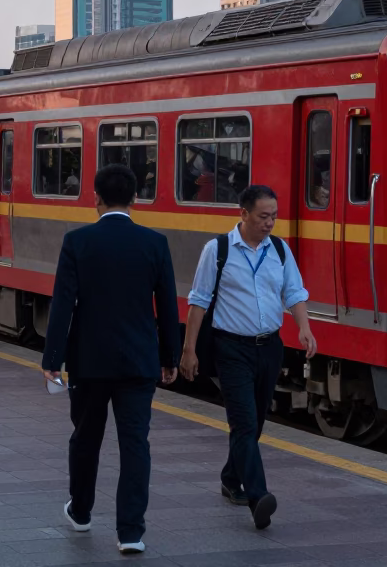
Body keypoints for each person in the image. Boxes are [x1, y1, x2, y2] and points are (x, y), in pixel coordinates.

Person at [42, 164, 180, 555]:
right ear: (135, 199)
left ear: (96, 199)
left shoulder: (78, 241)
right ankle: (131, 532)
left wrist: (52, 357)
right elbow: (167, 307)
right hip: (139, 361)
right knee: (136, 443)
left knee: (86, 437)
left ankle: (81, 512)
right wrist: (169, 356)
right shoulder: (155, 243)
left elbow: (63, 305)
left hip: (89, 361)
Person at [180, 184, 317, 530]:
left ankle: (230, 476)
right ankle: (257, 495)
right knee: (243, 422)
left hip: (269, 347)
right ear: (243, 214)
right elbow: (198, 301)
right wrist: (188, 349)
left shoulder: (280, 250)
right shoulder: (218, 250)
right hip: (231, 348)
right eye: (263, 216)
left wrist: (304, 328)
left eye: (274, 216)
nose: (270, 222)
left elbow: (294, 292)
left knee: (255, 422)